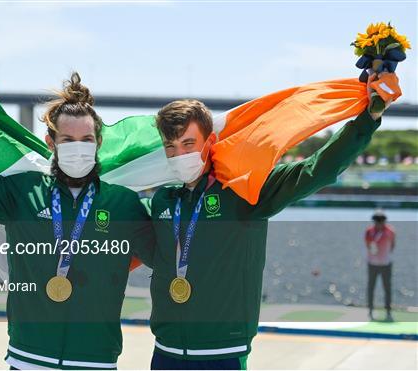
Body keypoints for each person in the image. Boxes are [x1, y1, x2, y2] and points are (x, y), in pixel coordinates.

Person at [148, 73, 391, 370]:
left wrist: (369, 118)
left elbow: (315, 170)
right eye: (170, 147)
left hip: (223, 352)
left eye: (188, 143)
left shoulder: (244, 190)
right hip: (164, 352)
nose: (179, 155)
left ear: (210, 141)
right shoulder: (163, 200)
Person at [0, 72, 154, 370]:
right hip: (29, 357)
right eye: (68, 139)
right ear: (51, 142)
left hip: (96, 359)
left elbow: (162, 251)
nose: (79, 147)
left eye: (86, 139)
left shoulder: (123, 203)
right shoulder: (23, 191)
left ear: (98, 142)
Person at [365, 209, 395, 322]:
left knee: (387, 288)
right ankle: (370, 310)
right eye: (377, 220)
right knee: (371, 287)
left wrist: (384, 255)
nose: (379, 222)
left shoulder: (390, 231)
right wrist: (373, 250)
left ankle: (388, 311)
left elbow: (392, 245)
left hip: (386, 264)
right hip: (372, 264)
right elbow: (368, 245)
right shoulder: (369, 231)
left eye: (381, 220)